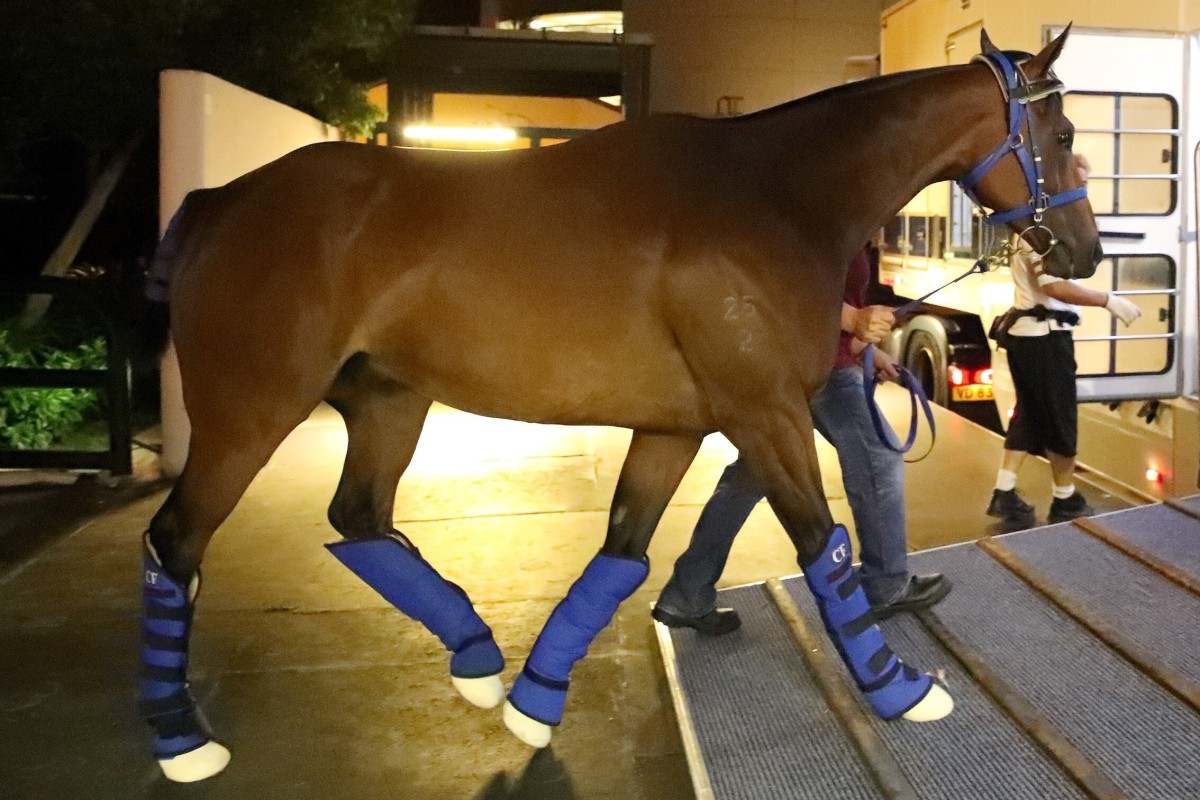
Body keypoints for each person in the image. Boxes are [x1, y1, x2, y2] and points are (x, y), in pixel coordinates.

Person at [651, 244, 952, 635]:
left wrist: (866, 349)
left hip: (792, 362)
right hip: (815, 370)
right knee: (877, 457)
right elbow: (786, 285)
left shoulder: (840, 210)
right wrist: (855, 318)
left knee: (756, 472)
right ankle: (886, 584)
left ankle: (687, 591)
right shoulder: (818, 202)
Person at [986, 155, 1142, 523]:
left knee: (1029, 413)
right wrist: (1108, 300)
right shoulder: (1042, 231)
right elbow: (1052, 284)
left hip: (1027, 336)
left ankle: (1004, 491)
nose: (1081, 193)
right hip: (1044, 337)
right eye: (1078, 184)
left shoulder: (1034, 224)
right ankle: (1065, 497)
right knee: (1060, 417)